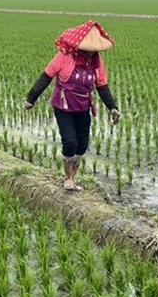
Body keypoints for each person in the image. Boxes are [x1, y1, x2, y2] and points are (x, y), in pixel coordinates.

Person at [25, 20, 122, 191]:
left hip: (83, 106)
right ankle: (68, 178)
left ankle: (73, 177)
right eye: (89, 50)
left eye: (94, 51)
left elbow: (102, 86)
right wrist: (31, 98)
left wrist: (112, 107)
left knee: (82, 144)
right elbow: (46, 77)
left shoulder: (96, 62)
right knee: (69, 141)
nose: (92, 54)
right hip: (63, 106)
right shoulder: (64, 56)